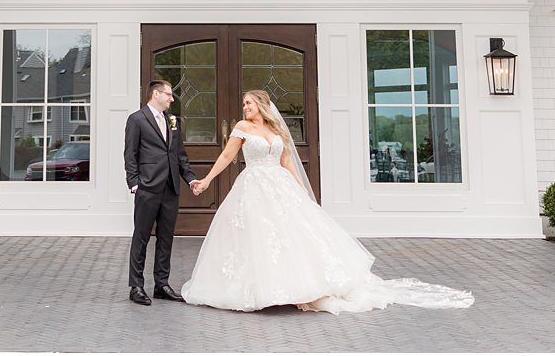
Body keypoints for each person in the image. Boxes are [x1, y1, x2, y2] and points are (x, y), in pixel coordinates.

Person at [181, 89, 474, 314]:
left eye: (249, 103)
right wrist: (206, 180)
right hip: (254, 185)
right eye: (243, 104)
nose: (245, 107)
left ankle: (301, 287)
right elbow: (227, 156)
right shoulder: (242, 129)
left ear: (262, 104)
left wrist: (303, 193)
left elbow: (288, 164)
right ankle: (264, 289)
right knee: (260, 238)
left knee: (294, 238)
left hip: (281, 187)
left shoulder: (276, 131)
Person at [123, 79, 198, 305]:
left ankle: (161, 284)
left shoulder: (172, 121)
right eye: (169, 94)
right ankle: (136, 286)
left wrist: (191, 179)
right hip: (147, 187)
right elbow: (130, 154)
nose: (172, 99)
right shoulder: (136, 119)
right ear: (156, 94)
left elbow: (179, 154)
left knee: (166, 238)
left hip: (170, 187)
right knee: (142, 236)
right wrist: (134, 183)